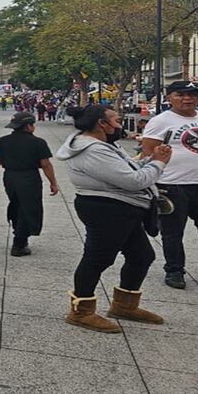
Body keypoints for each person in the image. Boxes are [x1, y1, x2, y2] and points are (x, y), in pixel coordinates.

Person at [56, 105, 171, 331]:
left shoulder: (106, 144)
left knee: (141, 255)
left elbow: (128, 169)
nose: (120, 124)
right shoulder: (93, 150)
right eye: (116, 120)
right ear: (102, 123)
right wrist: (159, 163)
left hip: (122, 208)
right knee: (97, 258)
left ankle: (124, 306)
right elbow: (134, 181)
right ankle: (81, 311)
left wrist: (150, 159)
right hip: (106, 209)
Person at [140, 80, 198, 289]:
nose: (187, 98)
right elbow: (148, 152)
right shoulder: (161, 121)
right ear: (169, 97)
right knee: (172, 232)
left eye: (192, 94)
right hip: (172, 184)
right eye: (180, 94)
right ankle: (174, 271)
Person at [0, 111, 60, 256]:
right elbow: (46, 164)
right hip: (29, 177)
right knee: (29, 208)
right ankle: (19, 243)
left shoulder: (2, 141)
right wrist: (53, 183)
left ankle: (20, 235)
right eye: (33, 124)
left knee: (16, 204)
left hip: (10, 178)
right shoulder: (38, 142)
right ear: (27, 126)